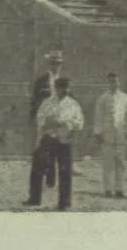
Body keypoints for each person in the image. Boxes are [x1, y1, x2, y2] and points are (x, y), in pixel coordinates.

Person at [25, 76, 83, 210]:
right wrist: (49, 123)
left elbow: (79, 121)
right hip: (49, 138)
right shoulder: (47, 103)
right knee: (38, 166)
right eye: (62, 88)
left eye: (67, 88)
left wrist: (69, 127)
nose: (65, 91)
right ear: (56, 88)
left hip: (65, 139)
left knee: (65, 171)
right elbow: (40, 118)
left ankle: (64, 202)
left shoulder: (73, 104)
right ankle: (34, 198)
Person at [93, 71, 127, 197]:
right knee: (108, 163)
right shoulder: (103, 98)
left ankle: (119, 189)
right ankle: (108, 189)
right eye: (111, 81)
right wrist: (98, 132)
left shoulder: (126, 98)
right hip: (107, 134)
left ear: (119, 82)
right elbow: (98, 116)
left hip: (121, 133)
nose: (114, 84)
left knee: (121, 163)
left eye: (116, 81)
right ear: (108, 82)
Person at [29, 50, 64, 186]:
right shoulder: (41, 81)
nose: (56, 66)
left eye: (58, 63)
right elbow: (34, 100)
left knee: (57, 148)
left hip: (59, 119)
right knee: (43, 148)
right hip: (44, 119)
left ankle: (51, 179)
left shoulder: (63, 82)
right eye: (53, 63)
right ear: (49, 64)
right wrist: (35, 117)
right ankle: (42, 176)